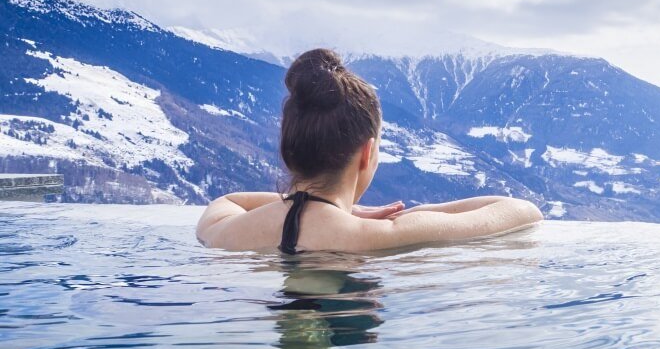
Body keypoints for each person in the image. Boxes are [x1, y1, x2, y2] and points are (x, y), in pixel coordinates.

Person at [196, 48, 543, 253]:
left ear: (290, 150)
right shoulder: (382, 236)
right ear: (367, 153)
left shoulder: (225, 233)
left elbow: (229, 201)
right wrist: (410, 213)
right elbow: (522, 211)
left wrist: (322, 205)